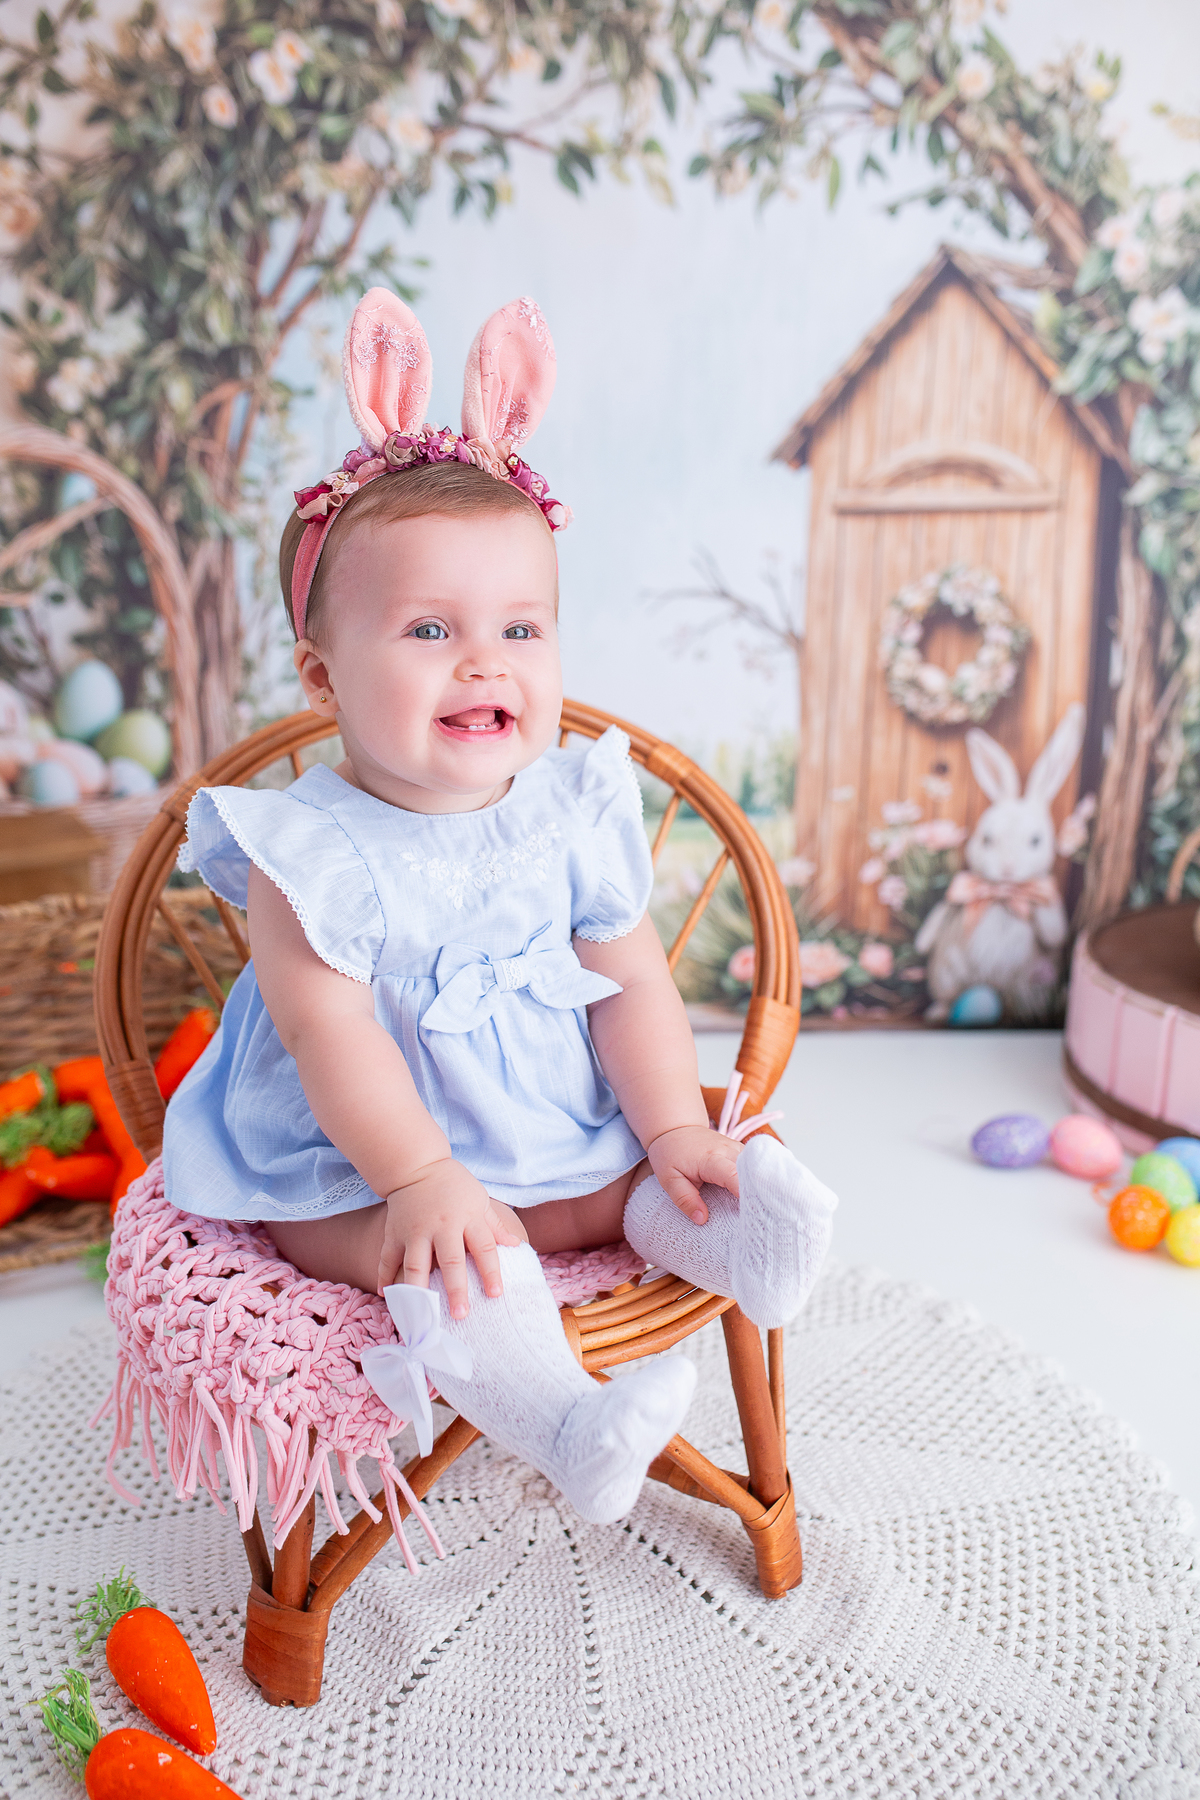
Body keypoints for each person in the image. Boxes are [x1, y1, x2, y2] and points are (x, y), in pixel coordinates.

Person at [163, 289, 836, 1525]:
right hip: (361, 1162)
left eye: (522, 627)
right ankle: (568, 1422)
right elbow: (327, 1034)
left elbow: (631, 979)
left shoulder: (570, 805)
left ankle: (741, 1244)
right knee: (439, 1253)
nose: (486, 661)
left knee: (635, 1184)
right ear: (322, 677)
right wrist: (422, 1176)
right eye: (430, 628)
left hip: (550, 1124)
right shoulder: (307, 851)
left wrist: (670, 1126)